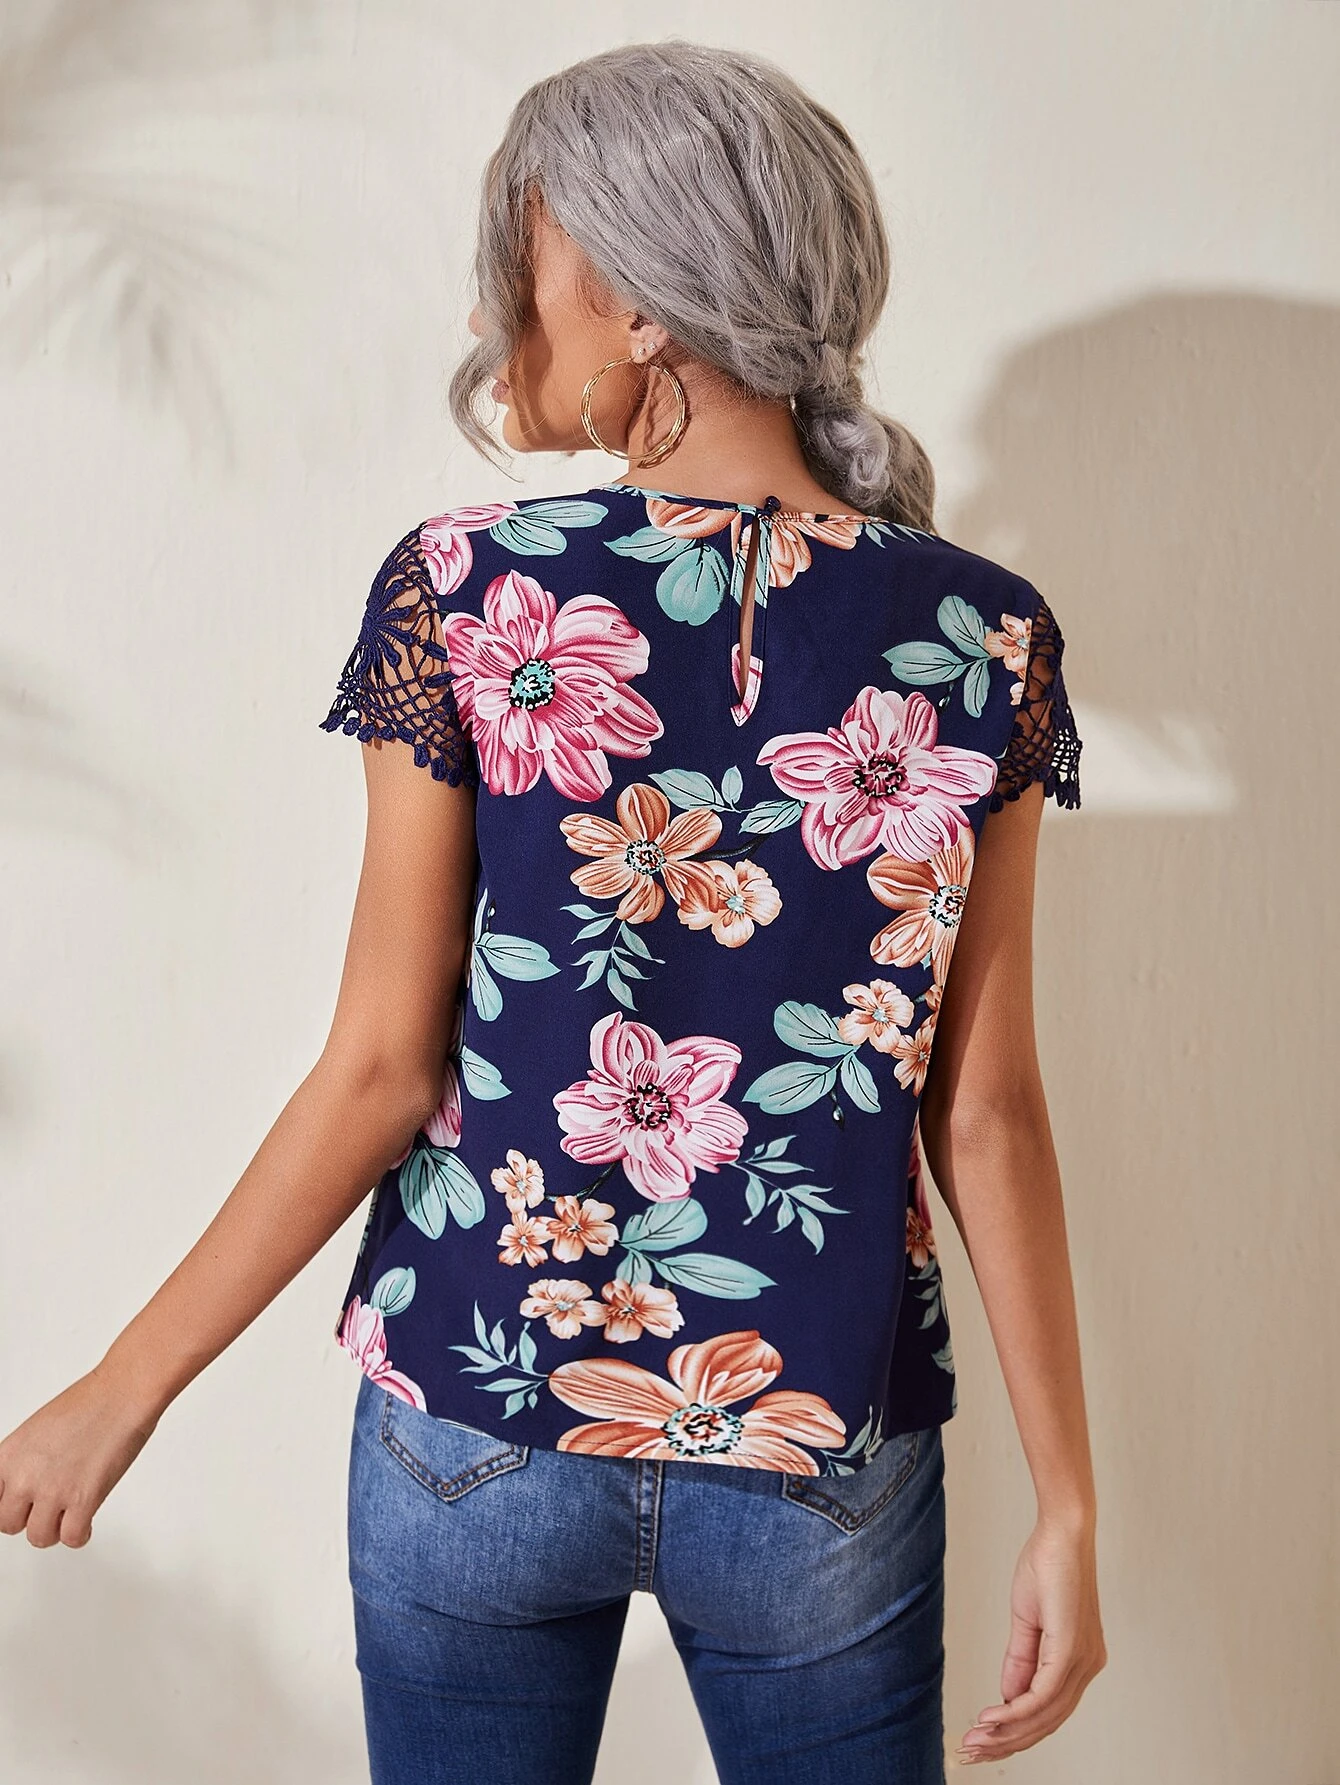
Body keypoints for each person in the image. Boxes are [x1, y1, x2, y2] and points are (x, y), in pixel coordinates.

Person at [0, 37, 1105, 1785]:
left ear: (638, 301)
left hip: (477, 1422)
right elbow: (985, 1110)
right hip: (821, 1441)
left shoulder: (469, 592)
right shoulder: (987, 635)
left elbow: (380, 1068)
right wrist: (1068, 1502)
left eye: (519, 258)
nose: (490, 308)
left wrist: (119, 1391)